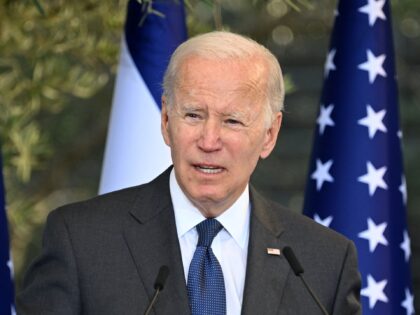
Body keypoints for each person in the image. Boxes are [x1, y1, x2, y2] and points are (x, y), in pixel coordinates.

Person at [17, 31, 361, 315]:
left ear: (269, 134)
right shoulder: (82, 242)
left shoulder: (322, 263)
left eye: (232, 121)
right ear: (166, 121)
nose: (209, 140)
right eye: (194, 115)